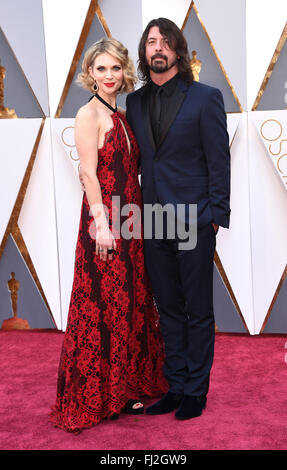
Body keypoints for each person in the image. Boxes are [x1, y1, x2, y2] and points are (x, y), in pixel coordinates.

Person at [50, 37, 167, 433]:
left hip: (130, 217)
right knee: (104, 302)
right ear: (90, 73)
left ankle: (126, 386)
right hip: (106, 221)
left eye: (115, 67)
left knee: (130, 299)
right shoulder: (89, 114)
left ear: (124, 70)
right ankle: (102, 393)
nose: (110, 75)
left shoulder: (122, 110)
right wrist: (101, 224)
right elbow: (87, 173)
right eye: (101, 68)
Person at [125, 18, 231, 420]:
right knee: (166, 306)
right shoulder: (134, 103)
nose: (158, 47)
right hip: (150, 218)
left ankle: (196, 392)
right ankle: (176, 384)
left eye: (166, 41)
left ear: (177, 51)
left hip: (193, 218)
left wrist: (215, 215)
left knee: (197, 308)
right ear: (144, 50)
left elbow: (219, 160)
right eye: (152, 41)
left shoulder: (206, 97)